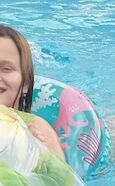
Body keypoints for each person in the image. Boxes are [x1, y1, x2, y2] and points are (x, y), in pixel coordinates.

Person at [0, 24, 66, 160]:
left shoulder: (38, 128)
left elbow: (63, 173)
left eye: (6, 68)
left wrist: (37, 151)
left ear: (26, 83)